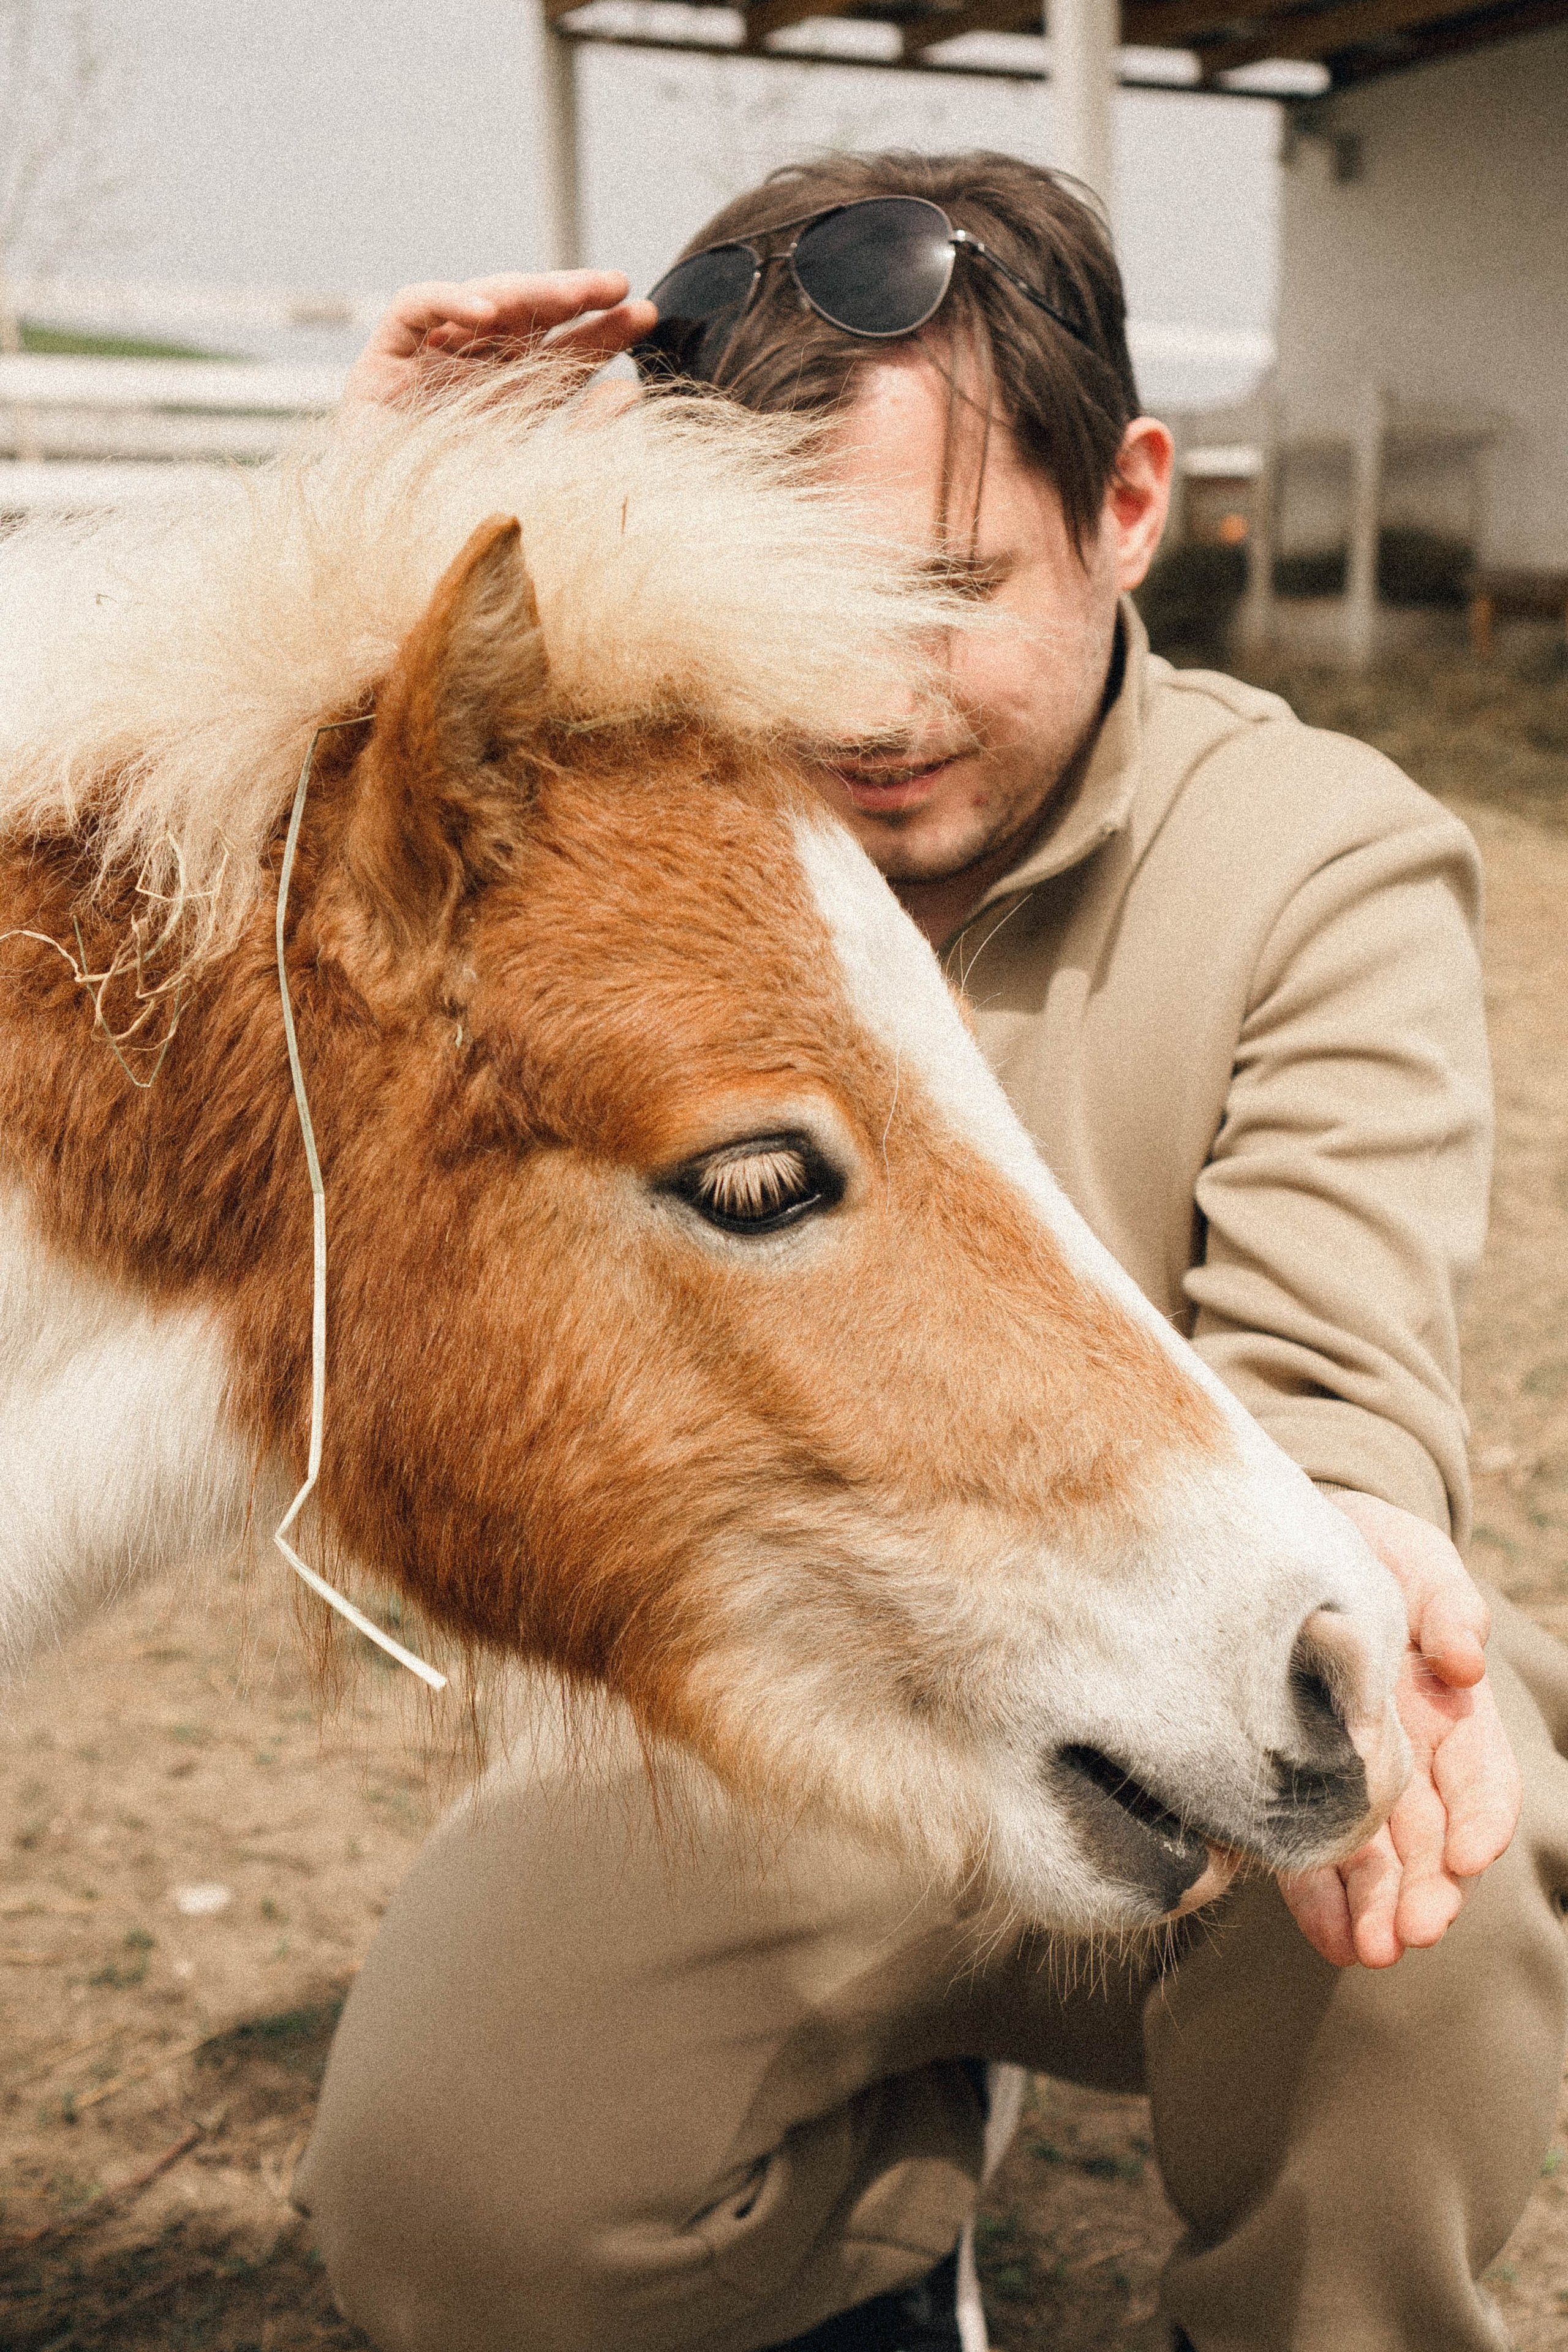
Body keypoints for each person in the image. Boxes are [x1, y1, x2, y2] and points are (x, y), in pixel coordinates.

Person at [293, 154, 1568, 2352]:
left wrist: (1356, 1534)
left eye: (953, 584)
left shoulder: (1328, 855)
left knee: (1440, 1806)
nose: (875, 699)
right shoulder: (624, 842)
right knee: (443, 2210)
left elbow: (1345, 1380)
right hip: (789, 1712)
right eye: (804, 601)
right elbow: (199, 918)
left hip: (1179, 1674)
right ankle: (881, 2223)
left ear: (1135, 504)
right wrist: (353, 530)